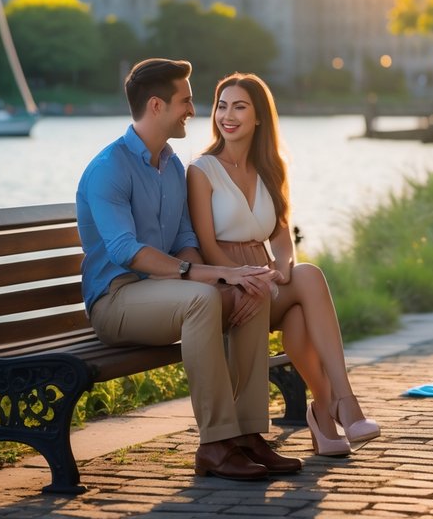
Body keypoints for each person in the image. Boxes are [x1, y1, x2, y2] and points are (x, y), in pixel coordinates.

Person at [76, 57, 302, 481]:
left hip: (163, 294)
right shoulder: (111, 168)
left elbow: (184, 241)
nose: (194, 112)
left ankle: (249, 433)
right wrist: (205, 277)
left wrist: (229, 279)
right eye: (186, 101)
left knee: (247, 290)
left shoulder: (171, 165)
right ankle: (215, 445)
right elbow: (127, 251)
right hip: (117, 300)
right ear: (158, 106)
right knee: (202, 299)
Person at [187, 72, 381, 457]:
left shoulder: (271, 167)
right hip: (227, 285)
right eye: (222, 106)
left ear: (259, 117)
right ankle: (337, 407)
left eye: (239, 106)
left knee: (304, 281)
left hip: (266, 278)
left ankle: (329, 412)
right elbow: (207, 247)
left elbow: (279, 233)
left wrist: (282, 266)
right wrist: (245, 277)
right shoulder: (201, 170)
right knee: (301, 298)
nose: (228, 115)